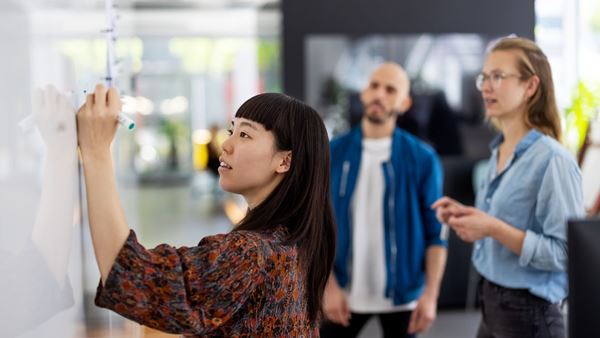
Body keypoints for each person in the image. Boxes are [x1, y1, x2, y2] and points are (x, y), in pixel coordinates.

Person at [76, 86, 336, 337]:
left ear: (284, 161)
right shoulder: (295, 241)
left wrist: (96, 152)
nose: (226, 145)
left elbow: (131, 274)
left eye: (245, 135)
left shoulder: (250, 252)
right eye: (231, 131)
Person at [432, 37, 584, 338]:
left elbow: (567, 252)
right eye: (484, 77)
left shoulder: (553, 160)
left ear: (530, 86)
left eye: (498, 77)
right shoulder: (499, 150)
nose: (486, 86)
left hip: (531, 313)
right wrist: (470, 216)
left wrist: (491, 227)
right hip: (491, 303)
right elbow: (503, 220)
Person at [322, 62, 448, 338]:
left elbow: (436, 234)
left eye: (390, 90)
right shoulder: (333, 153)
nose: (379, 94)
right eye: (374, 86)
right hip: (342, 291)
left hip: (403, 296)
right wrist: (327, 286)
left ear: (405, 103)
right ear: (364, 93)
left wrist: (431, 296)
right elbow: (315, 227)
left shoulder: (423, 159)